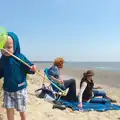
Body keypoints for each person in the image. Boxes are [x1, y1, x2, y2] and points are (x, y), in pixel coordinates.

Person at [0, 32, 36, 120]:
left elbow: (28, 67)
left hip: (20, 89)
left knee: (22, 109)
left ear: (15, 45)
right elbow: (1, 72)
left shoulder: (20, 57)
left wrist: (32, 68)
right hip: (7, 89)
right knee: (9, 108)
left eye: (9, 47)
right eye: (2, 47)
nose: (5, 50)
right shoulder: (2, 59)